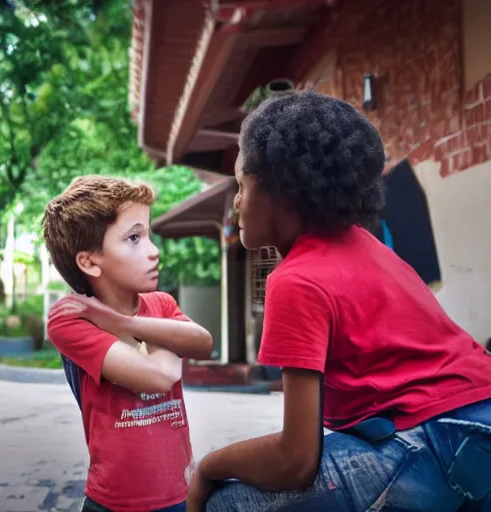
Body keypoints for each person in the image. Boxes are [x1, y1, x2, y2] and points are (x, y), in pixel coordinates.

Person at [186, 91, 491, 511]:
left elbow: (295, 460)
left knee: (229, 503)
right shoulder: (370, 250)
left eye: (241, 185)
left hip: (440, 441)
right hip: (477, 422)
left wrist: (208, 468)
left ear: (280, 188)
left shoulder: (296, 280)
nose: (236, 202)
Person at [43, 176, 213, 512]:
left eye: (149, 235)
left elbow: (203, 342)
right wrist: (160, 334)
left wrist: (122, 323)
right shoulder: (69, 319)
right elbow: (159, 376)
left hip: (181, 494)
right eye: (134, 238)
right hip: (114, 503)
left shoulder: (160, 303)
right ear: (89, 261)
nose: (154, 251)